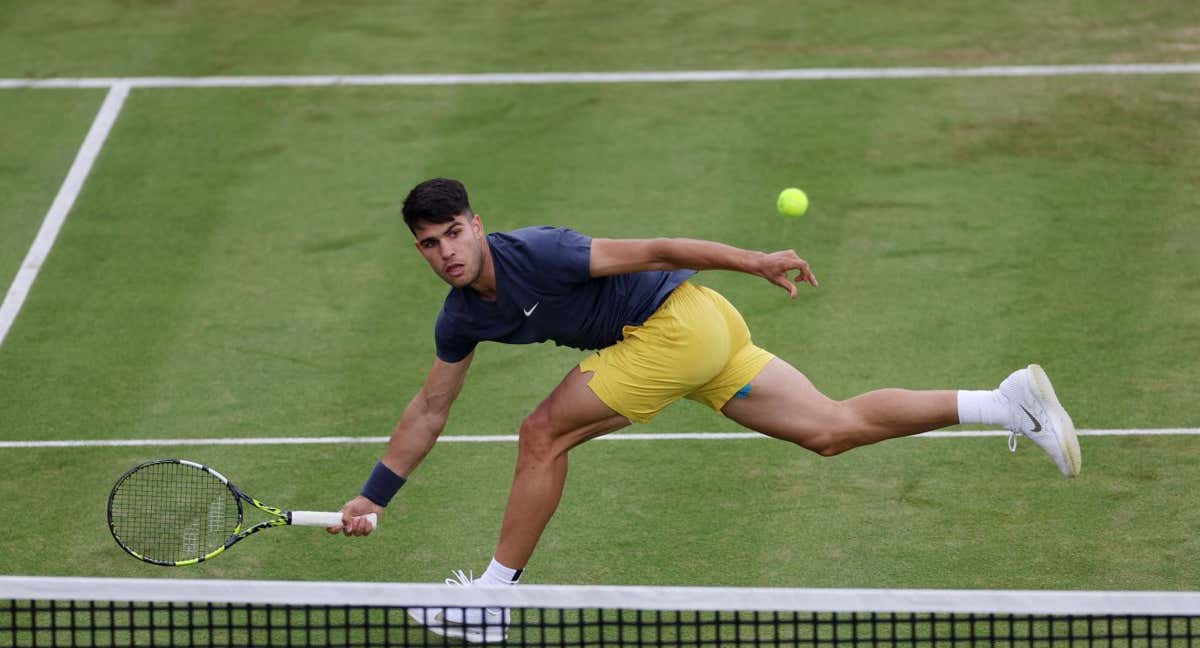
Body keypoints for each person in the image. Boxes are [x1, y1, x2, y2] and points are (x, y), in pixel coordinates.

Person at [333, 177, 1081, 643]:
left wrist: (755, 259)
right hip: (705, 330)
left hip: (677, 326)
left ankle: (491, 603)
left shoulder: (541, 253)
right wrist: (373, 494)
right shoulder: (460, 316)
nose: (445, 253)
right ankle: (1005, 403)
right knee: (831, 428)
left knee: (541, 434)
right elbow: (430, 409)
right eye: (429, 245)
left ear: (475, 221)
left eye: (453, 233)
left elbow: (657, 247)